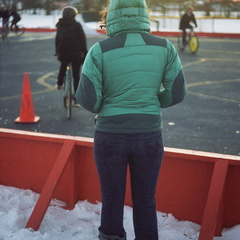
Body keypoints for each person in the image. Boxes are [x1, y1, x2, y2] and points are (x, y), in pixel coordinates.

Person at [75, 0, 187, 239]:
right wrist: (152, 101)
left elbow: (87, 97)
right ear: (144, 15)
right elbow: (176, 92)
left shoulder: (100, 50)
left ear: (111, 17)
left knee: (112, 199)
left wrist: (104, 105)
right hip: (149, 134)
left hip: (110, 135)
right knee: (146, 200)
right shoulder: (165, 47)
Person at [55, 6, 87, 105]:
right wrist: (84, 51)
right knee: (76, 75)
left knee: (63, 65)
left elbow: (57, 40)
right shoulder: (77, 25)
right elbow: (82, 39)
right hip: (75, 53)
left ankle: (59, 83)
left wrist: (57, 51)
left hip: (63, 53)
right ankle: (76, 99)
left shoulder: (60, 25)